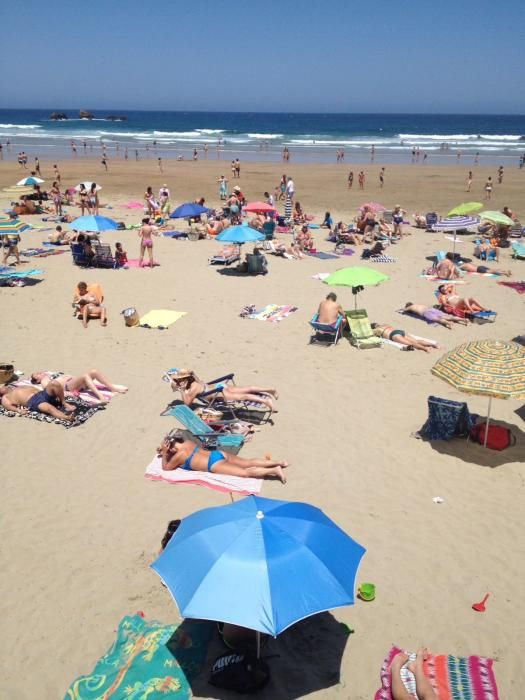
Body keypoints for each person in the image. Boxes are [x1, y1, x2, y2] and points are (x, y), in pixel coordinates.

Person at [158, 433, 288, 483]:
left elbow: (166, 468)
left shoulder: (179, 456)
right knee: (247, 462)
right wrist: (167, 450)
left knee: (245, 473)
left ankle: (274, 470)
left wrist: (164, 453)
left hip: (213, 464)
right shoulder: (187, 442)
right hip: (218, 454)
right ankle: (279, 462)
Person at [169, 370, 278, 412]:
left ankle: (266, 402)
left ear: (184, 379)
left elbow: (187, 404)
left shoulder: (192, 388)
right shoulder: (194, 381)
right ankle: (270, 390)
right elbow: (196, 377)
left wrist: (181, 390)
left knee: (243, 396)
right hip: (219, 386)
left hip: (218, 392)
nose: (179, 383)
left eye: (179, 380)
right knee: (246, 388)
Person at [30, 369, 127, 405]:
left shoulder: (48, 375)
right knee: (85, 375)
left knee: (94, 371)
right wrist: (68, 394)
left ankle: (112, 388)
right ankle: (100, 397)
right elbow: (50, 389)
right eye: (37, 375)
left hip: (77, 383)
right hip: (69, 386)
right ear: (37, 380)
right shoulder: (44, 381)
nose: (39, 373)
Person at [0, 380, 76, 421]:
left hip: (42, 393)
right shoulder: (6, 397)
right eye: (1, 388)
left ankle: (64, 403)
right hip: (34, 402)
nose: (3, 387)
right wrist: (18, 410)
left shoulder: (15, 387)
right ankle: (67, 418)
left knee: (54, 383)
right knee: (50, 408)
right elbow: (7, 406)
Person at [371, 324, 440, 352]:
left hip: (394, 335)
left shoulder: (376, 330)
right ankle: (433, 344)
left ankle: (426, 348)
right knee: (416, 340)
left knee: (411, 343)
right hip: (399, 331)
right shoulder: (385, 324)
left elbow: (371, 335)